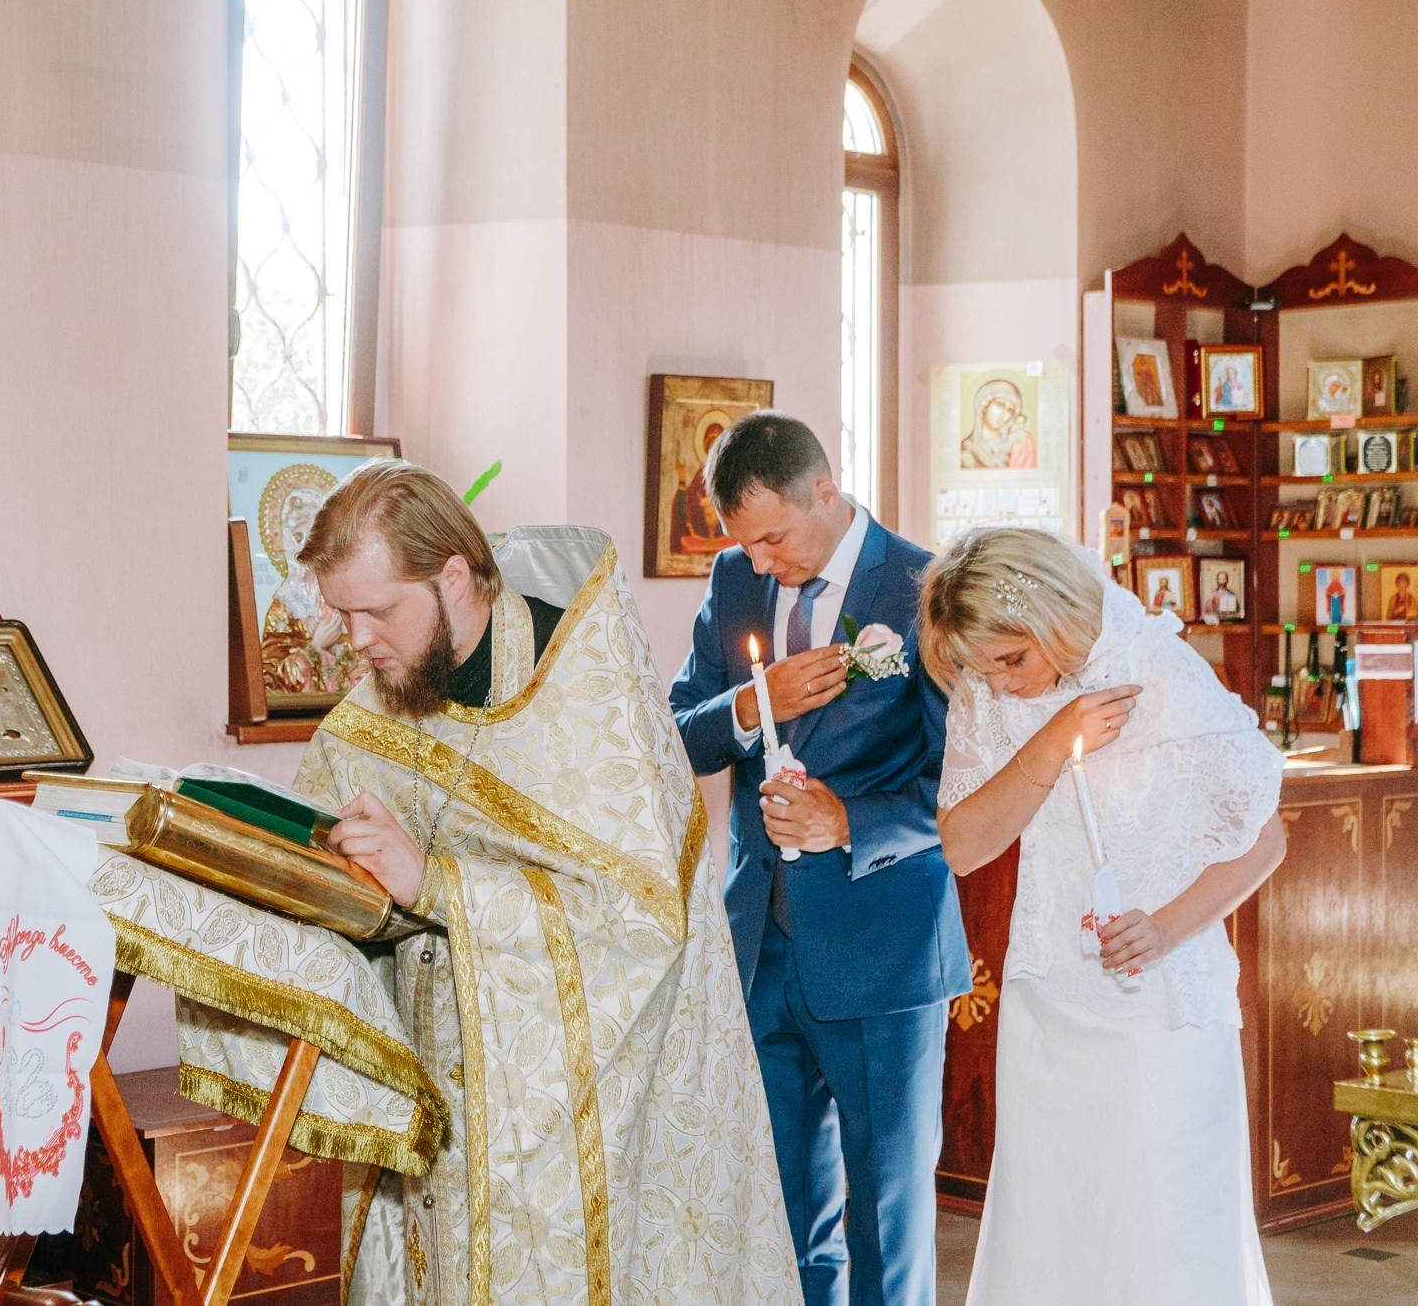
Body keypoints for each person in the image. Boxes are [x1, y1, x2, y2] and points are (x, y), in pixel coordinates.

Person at [293, 461, 801, 1305]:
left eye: (376, 610)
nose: (356, 640)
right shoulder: (386, 693)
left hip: (573, 1118)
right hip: (434, 1097)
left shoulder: (587, 693)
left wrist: (436, 884)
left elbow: (643, 918)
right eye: (340, 613)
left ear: (453, 576)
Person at [919, 526, 1284, 1306]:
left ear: (1054, 614)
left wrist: (1167, 925)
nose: (999, 682)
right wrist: (1051, 743)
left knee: (1161, 1231)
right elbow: (963, 844)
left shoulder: (1160, 667)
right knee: (1056, 1231)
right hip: (1050, 1004)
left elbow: (1267, 839)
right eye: (983, 668)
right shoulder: (995, 688)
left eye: (1012, 660)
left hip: (1159, 1010)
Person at [669, 413, 969, 1306]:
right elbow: (678, 734)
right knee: (784, 1214)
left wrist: (851, 821)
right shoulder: (732, 580)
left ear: (826, 493)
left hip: (884, 950)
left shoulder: (925, 587)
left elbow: (965, 780)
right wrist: (752, 705)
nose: (760, 561)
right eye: (743, 544)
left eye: (772, 537)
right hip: (761, 944)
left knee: (886, 1223)